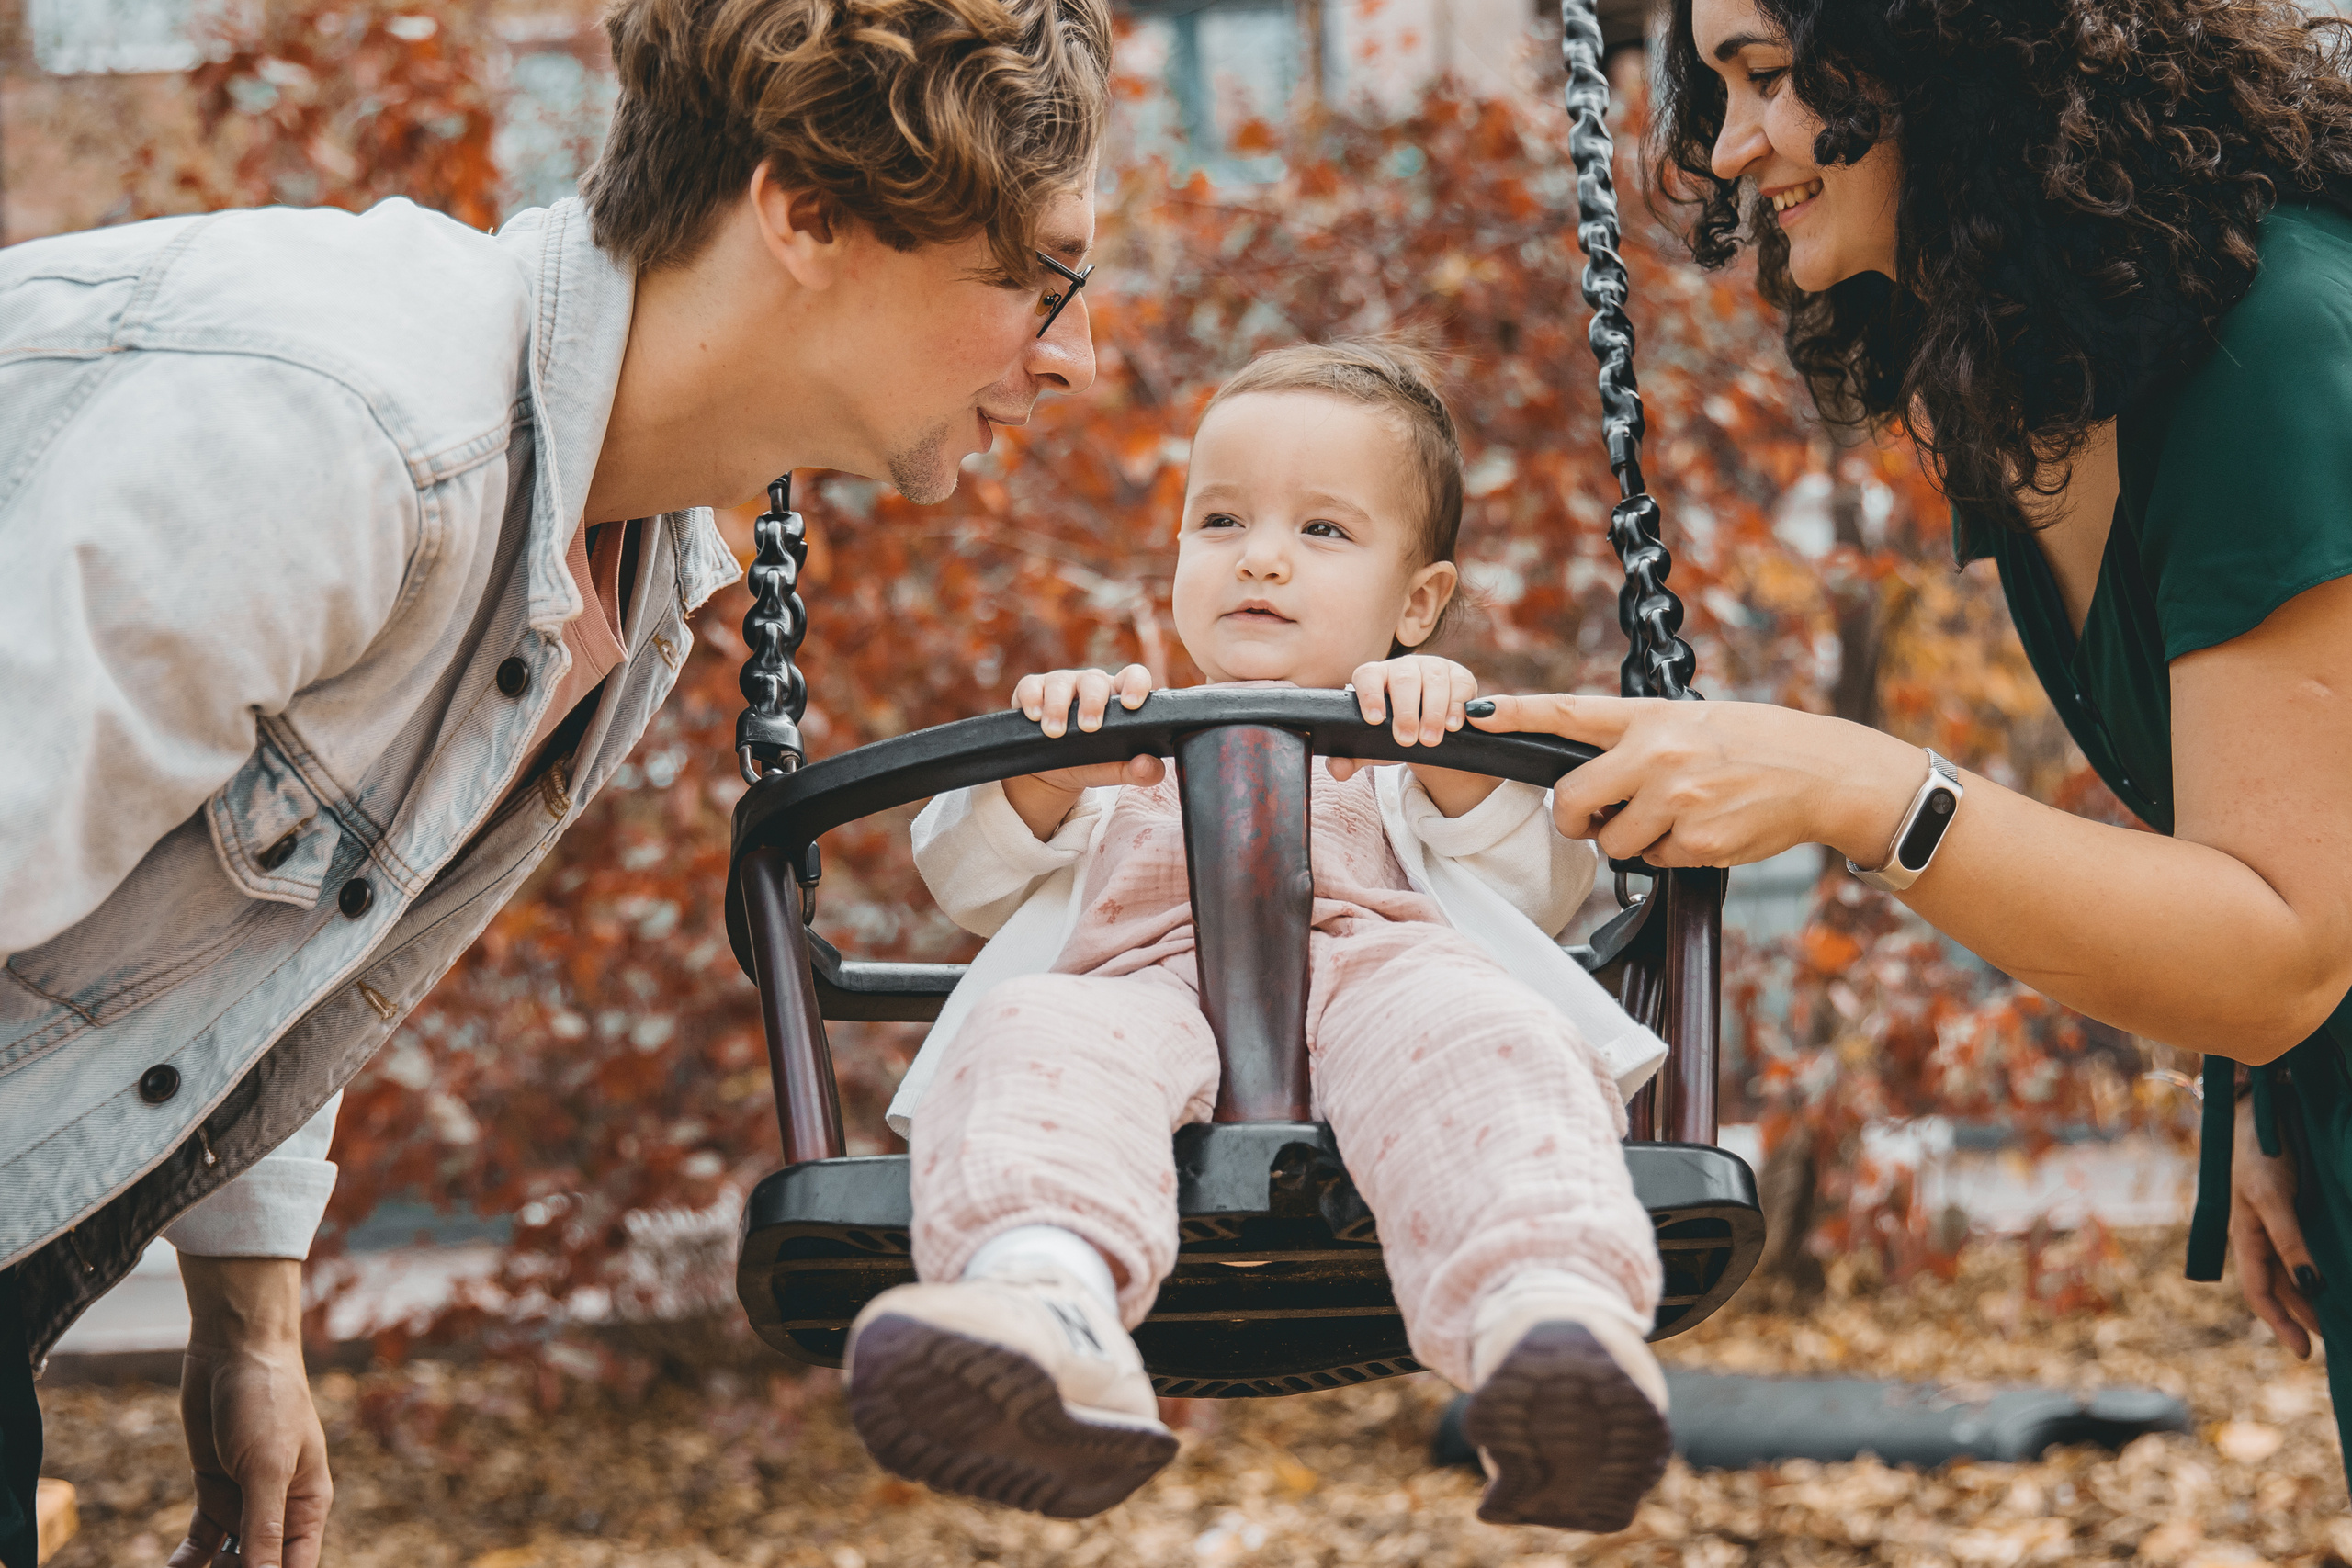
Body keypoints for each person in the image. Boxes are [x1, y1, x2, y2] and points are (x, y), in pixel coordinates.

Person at [0, 0, 1111, 1562]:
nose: (1079, 354)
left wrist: (248, 1310)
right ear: (802, 211)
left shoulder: (621, 539)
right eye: (1038, 279)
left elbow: (289, 889)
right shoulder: (349, 439)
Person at [1465, 0, 2352, 1487]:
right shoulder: (2044, 377)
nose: (1733, 145)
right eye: (1718, 86)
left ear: (1945, 58)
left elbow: (2281, 943)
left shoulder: (2273, 350)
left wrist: (1859, 788)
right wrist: (2267, 1090)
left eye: (1762, 75)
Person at [841, 340, 1677, 1529]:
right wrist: (1047, 771)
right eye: (1221, 520)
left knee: (1489, 1033)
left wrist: (1452, 749)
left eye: (1324, 533)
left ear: (1417, 603)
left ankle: (1550, 1322)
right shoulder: (1128, 731)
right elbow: (966, 881)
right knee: (1030, 1029)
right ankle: (1044, 1307)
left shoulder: (1409, 742)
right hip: (1137, 999)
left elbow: (1541, 880)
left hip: (1384, 986)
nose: (1263, 557)